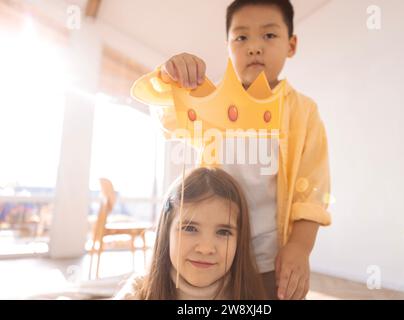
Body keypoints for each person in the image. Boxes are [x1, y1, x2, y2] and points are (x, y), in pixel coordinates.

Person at [132, 0, 332, 299]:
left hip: (269, 261)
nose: (254, 47)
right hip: (212, 255)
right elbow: (167, 119)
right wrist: (168, 77)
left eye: (269, 35)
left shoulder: (304, 112)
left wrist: (300, 247)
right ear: (227, 46)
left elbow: (313, 192)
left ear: (291, 45)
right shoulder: (210, 99)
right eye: (241, 37)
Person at [115, 167, 267, 299]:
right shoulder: (137, 292)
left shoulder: (250, 294)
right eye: (190, 228)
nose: (205, 248)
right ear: (166, 232)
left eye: (223, 232)